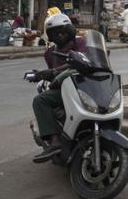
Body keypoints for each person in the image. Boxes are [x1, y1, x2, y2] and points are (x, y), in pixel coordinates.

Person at [27, 13, 86, 163]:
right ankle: (54, 141)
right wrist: (41, 75)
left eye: (62, 31)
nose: (59, 35)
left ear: (69, 30)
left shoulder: (80, 43)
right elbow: (53, 76)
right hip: (64, 89)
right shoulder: (50, 53)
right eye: (54, 32)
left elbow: (89, 59)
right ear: (50, 35)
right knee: (40, 100)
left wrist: (54, 72)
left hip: (85, 84)